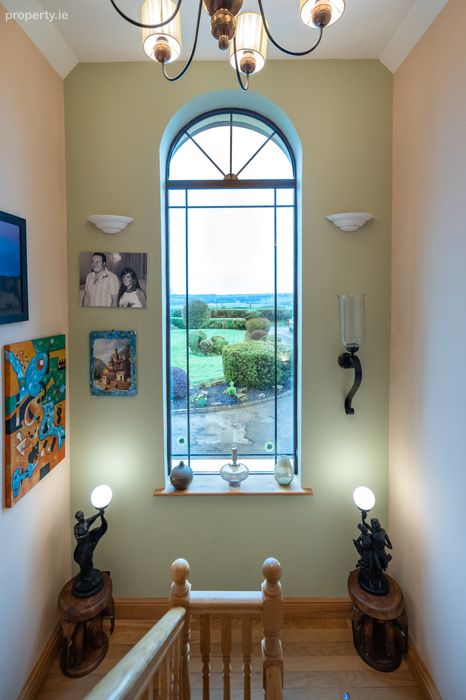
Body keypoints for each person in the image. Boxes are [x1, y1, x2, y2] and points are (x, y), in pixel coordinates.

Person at [72, 509, 108, 597]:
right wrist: (86, 536)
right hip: (81, 546)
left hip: (88, 544)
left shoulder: (86, 522)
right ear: (77, 519)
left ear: (83, 515)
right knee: (82, 560)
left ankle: (90, 574)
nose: (80, 518)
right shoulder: (76, 527)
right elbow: (77, 538)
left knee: (88, 558)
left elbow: (93, 518)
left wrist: (100, 514)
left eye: (81, 515)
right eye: (78, 517)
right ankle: (85, 576)